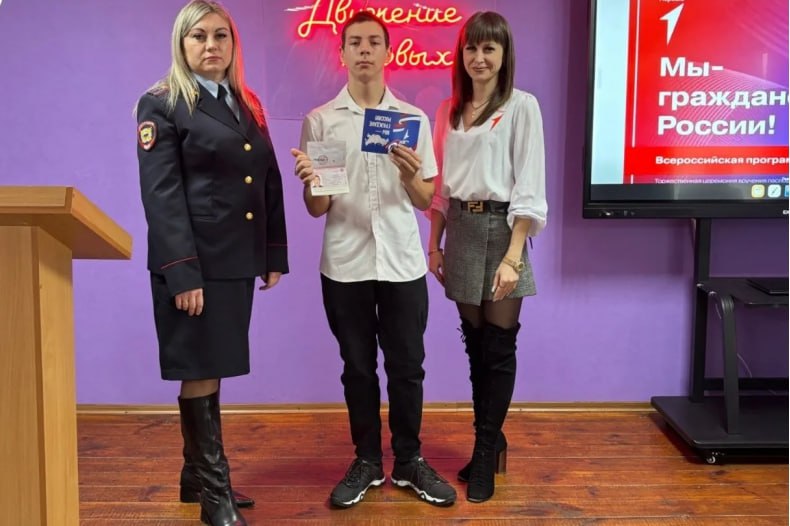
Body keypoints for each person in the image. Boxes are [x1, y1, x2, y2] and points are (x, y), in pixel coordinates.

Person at [290, 11, 457, 509]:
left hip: (403, 262)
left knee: (408, 368)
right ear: (342, 54)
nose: (364, 50)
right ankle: (366, 460)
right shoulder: (321, 120)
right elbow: (318, 208)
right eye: (355, 43)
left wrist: (408, 174)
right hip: (345, 264)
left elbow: (426, 199)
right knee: (358, 368)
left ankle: (408, 460)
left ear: (388, 53)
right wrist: (313, 183)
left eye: (373, 42)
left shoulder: (411, 120)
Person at [136, 1, 288, 524]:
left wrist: (273, 253)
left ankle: (194, 477)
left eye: (221, 35)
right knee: (200, 369)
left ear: (233, 43)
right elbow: (162, 197)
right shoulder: (162, 103)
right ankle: (214, 495)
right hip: (194, 263)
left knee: (213, 363)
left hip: (235, 260)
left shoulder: (246, 102)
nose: (211, 45)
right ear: (181, 44)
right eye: (198, 36)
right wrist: (182, 272)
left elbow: (267, 178)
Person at [427, 11, 547, 503]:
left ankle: (483, 452)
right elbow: (440, 186)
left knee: (499, 346)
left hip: (503, 231)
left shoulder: (521, 106)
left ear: (503, 55)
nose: (479, 58)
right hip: (460, 228)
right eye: (471, 48)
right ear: (462, 54)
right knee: (475, 347)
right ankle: (491, 441)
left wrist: (513, 257)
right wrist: (434, 244)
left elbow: (529, 185)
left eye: (489, 49)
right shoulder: (448, 110)